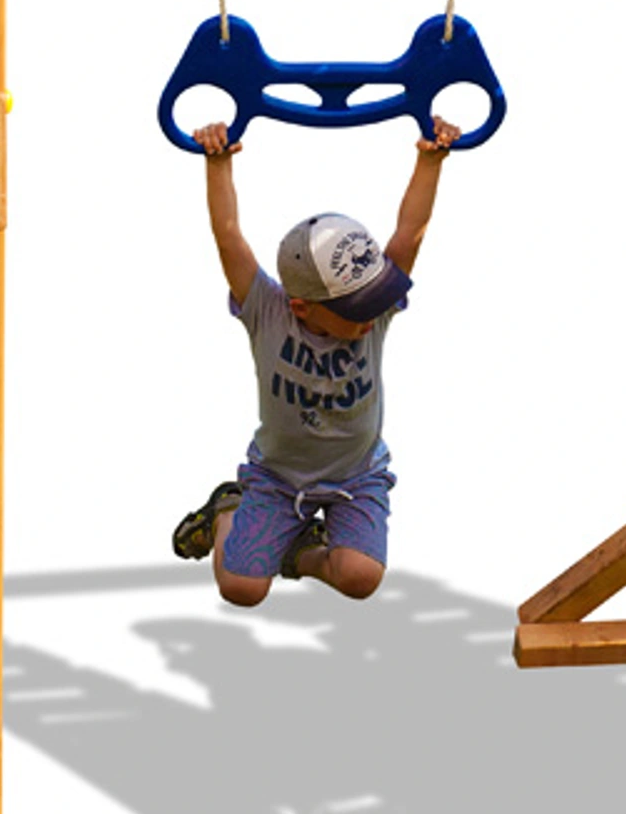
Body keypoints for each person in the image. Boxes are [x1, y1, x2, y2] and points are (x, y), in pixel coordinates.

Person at [171, 115, 463, 605]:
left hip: (357, 476)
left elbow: (410, 233)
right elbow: (229, 237)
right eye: (355, 309)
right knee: (242, 589)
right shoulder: (267, 312)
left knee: (360, 579)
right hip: (278, 479)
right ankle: (227, 512)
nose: (371, 316)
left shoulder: (376, 313)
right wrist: (217, 162)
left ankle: (299, 552)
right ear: (302, 306)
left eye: (375, 299)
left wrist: (430, 159)